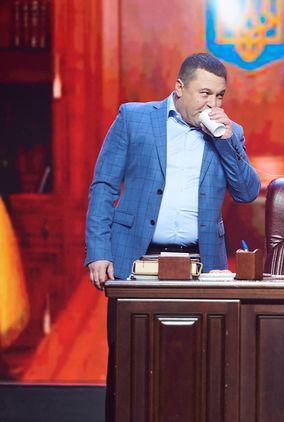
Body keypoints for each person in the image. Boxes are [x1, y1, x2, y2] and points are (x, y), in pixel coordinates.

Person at [84, 53, 260, 420]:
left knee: (199, 365)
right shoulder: (134, 118)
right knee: (128, 365)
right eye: (205, 94)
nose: (212, 104)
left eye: (220, 96)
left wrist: (227, 141)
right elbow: (103, 185)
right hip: (135, 260)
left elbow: (247, 192)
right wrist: (99, 250)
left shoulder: (231, 132)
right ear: (179, 88)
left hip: (200, 264)